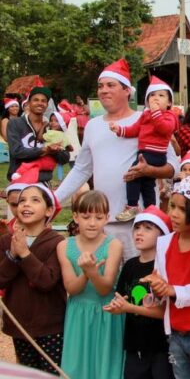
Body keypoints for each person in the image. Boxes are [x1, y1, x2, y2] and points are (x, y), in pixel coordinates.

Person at [55, 59, 179, 261]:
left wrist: (149, 171)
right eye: (100, 86)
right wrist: (52, 200)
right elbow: (81, 170)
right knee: (107, 283)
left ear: (127, 90)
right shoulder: (93, 126)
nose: (103, 90)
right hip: (101, 222)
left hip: (140, 224)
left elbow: (174, 167)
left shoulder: (147, 119)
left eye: (110, 85)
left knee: (138, 286)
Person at [147, 176, 190, 379]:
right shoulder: (164, 243)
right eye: (172, 206)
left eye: (182, 209)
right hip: (174, 334)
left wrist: (173, 290)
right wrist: (155, 290)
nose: (173, 214)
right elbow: (160, 280)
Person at [57, 190, 125, 379]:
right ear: (76, 217)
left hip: (106, 314)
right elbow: (71, 287)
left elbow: (105, 288)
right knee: (76, 367)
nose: (92, 223)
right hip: (79, 313)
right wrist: (87, 273)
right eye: (86, 217)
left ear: (107, 218)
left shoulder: (114, 245)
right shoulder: (64, 246)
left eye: (98, 217)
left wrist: (92, 272)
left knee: (104, 367)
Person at [0, 182, 65, 374]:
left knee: (51, 373)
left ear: (49, 210)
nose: (26, 205)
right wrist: (12, 255)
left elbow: (47, 281)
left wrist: (25, 254)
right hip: (19, 325)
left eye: (34, 200)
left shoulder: (56, 242)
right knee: (29, 374)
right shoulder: (5, 241)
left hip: (50, 326)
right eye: (22, 201)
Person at [103, 206, 173, 378]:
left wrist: (129, 308)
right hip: (135, 345)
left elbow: (165, 312)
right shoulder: (130, 265)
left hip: (161, 347)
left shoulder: (165, 267)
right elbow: (122, 297)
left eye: (148, 228)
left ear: (163, 235)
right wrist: (116, 305)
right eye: (137, 227)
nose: (139, 233)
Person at [110, 76, 179, 221]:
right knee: (147, 183)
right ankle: (151, 209)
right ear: (147, 101)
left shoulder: (169, 116)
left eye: (161, 95)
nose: (156, 99)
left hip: (156, 154)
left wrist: (155, 113)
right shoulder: (145, 115)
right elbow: (134, 130)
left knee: (133, 174)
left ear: (169, 102)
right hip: (144, 153)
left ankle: (132, 206)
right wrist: (119, 130)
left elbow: (165, 129)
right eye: (152, 95)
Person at [7, 86, 70, 182]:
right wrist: (44, 150)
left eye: (43, 101)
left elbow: (65, 158)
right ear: (28, 103)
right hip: (19, 178)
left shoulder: (51, 127)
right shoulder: (15, 123)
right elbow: (16, 151)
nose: (40, 103)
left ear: (47, 104)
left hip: (43, 180)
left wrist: (54, 150)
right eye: (36, 100)